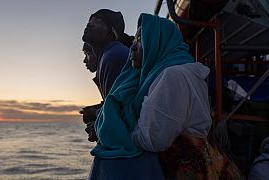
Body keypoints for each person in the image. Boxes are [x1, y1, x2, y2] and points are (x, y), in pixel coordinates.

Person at [89, 13, 244, 179]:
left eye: (141, 39)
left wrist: (112, 130)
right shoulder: (180, 70)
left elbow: (152, 139)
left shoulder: (172, 76)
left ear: (157, 42)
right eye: (134, 40)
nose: (133, 47)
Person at [81, 9, 131, 142]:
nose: (89, 25)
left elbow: (118, 112)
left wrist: (97, 126)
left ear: (112, 32)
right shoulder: (109, 54)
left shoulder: (113, 56)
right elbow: (117, 102)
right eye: (89, 21)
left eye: (97, 22)